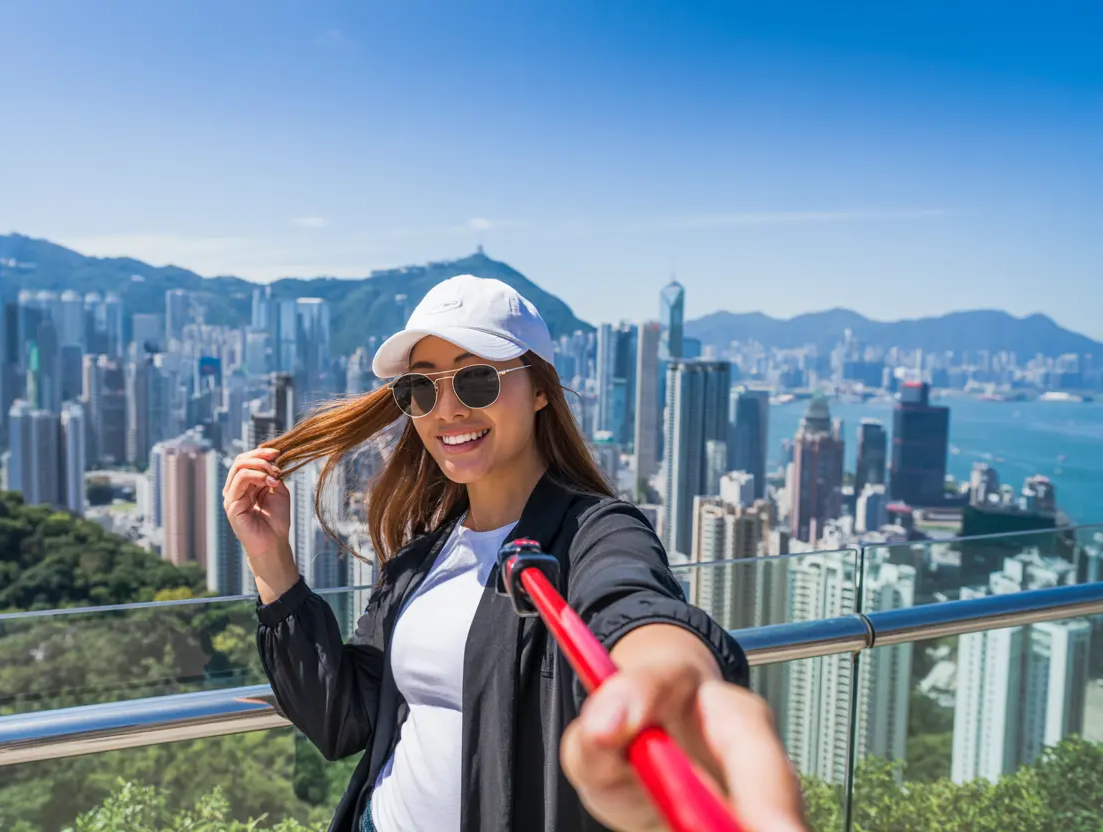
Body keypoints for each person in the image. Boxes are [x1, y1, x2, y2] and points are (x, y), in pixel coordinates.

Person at [224, 275, 805, 832]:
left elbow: (631, 600)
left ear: (542, 392)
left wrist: (670, 679)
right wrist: (271, 559)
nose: (447, 409)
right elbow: (342, 720)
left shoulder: (591, 534)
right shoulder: (420, 560)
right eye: (421, 388)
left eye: (477, 381)